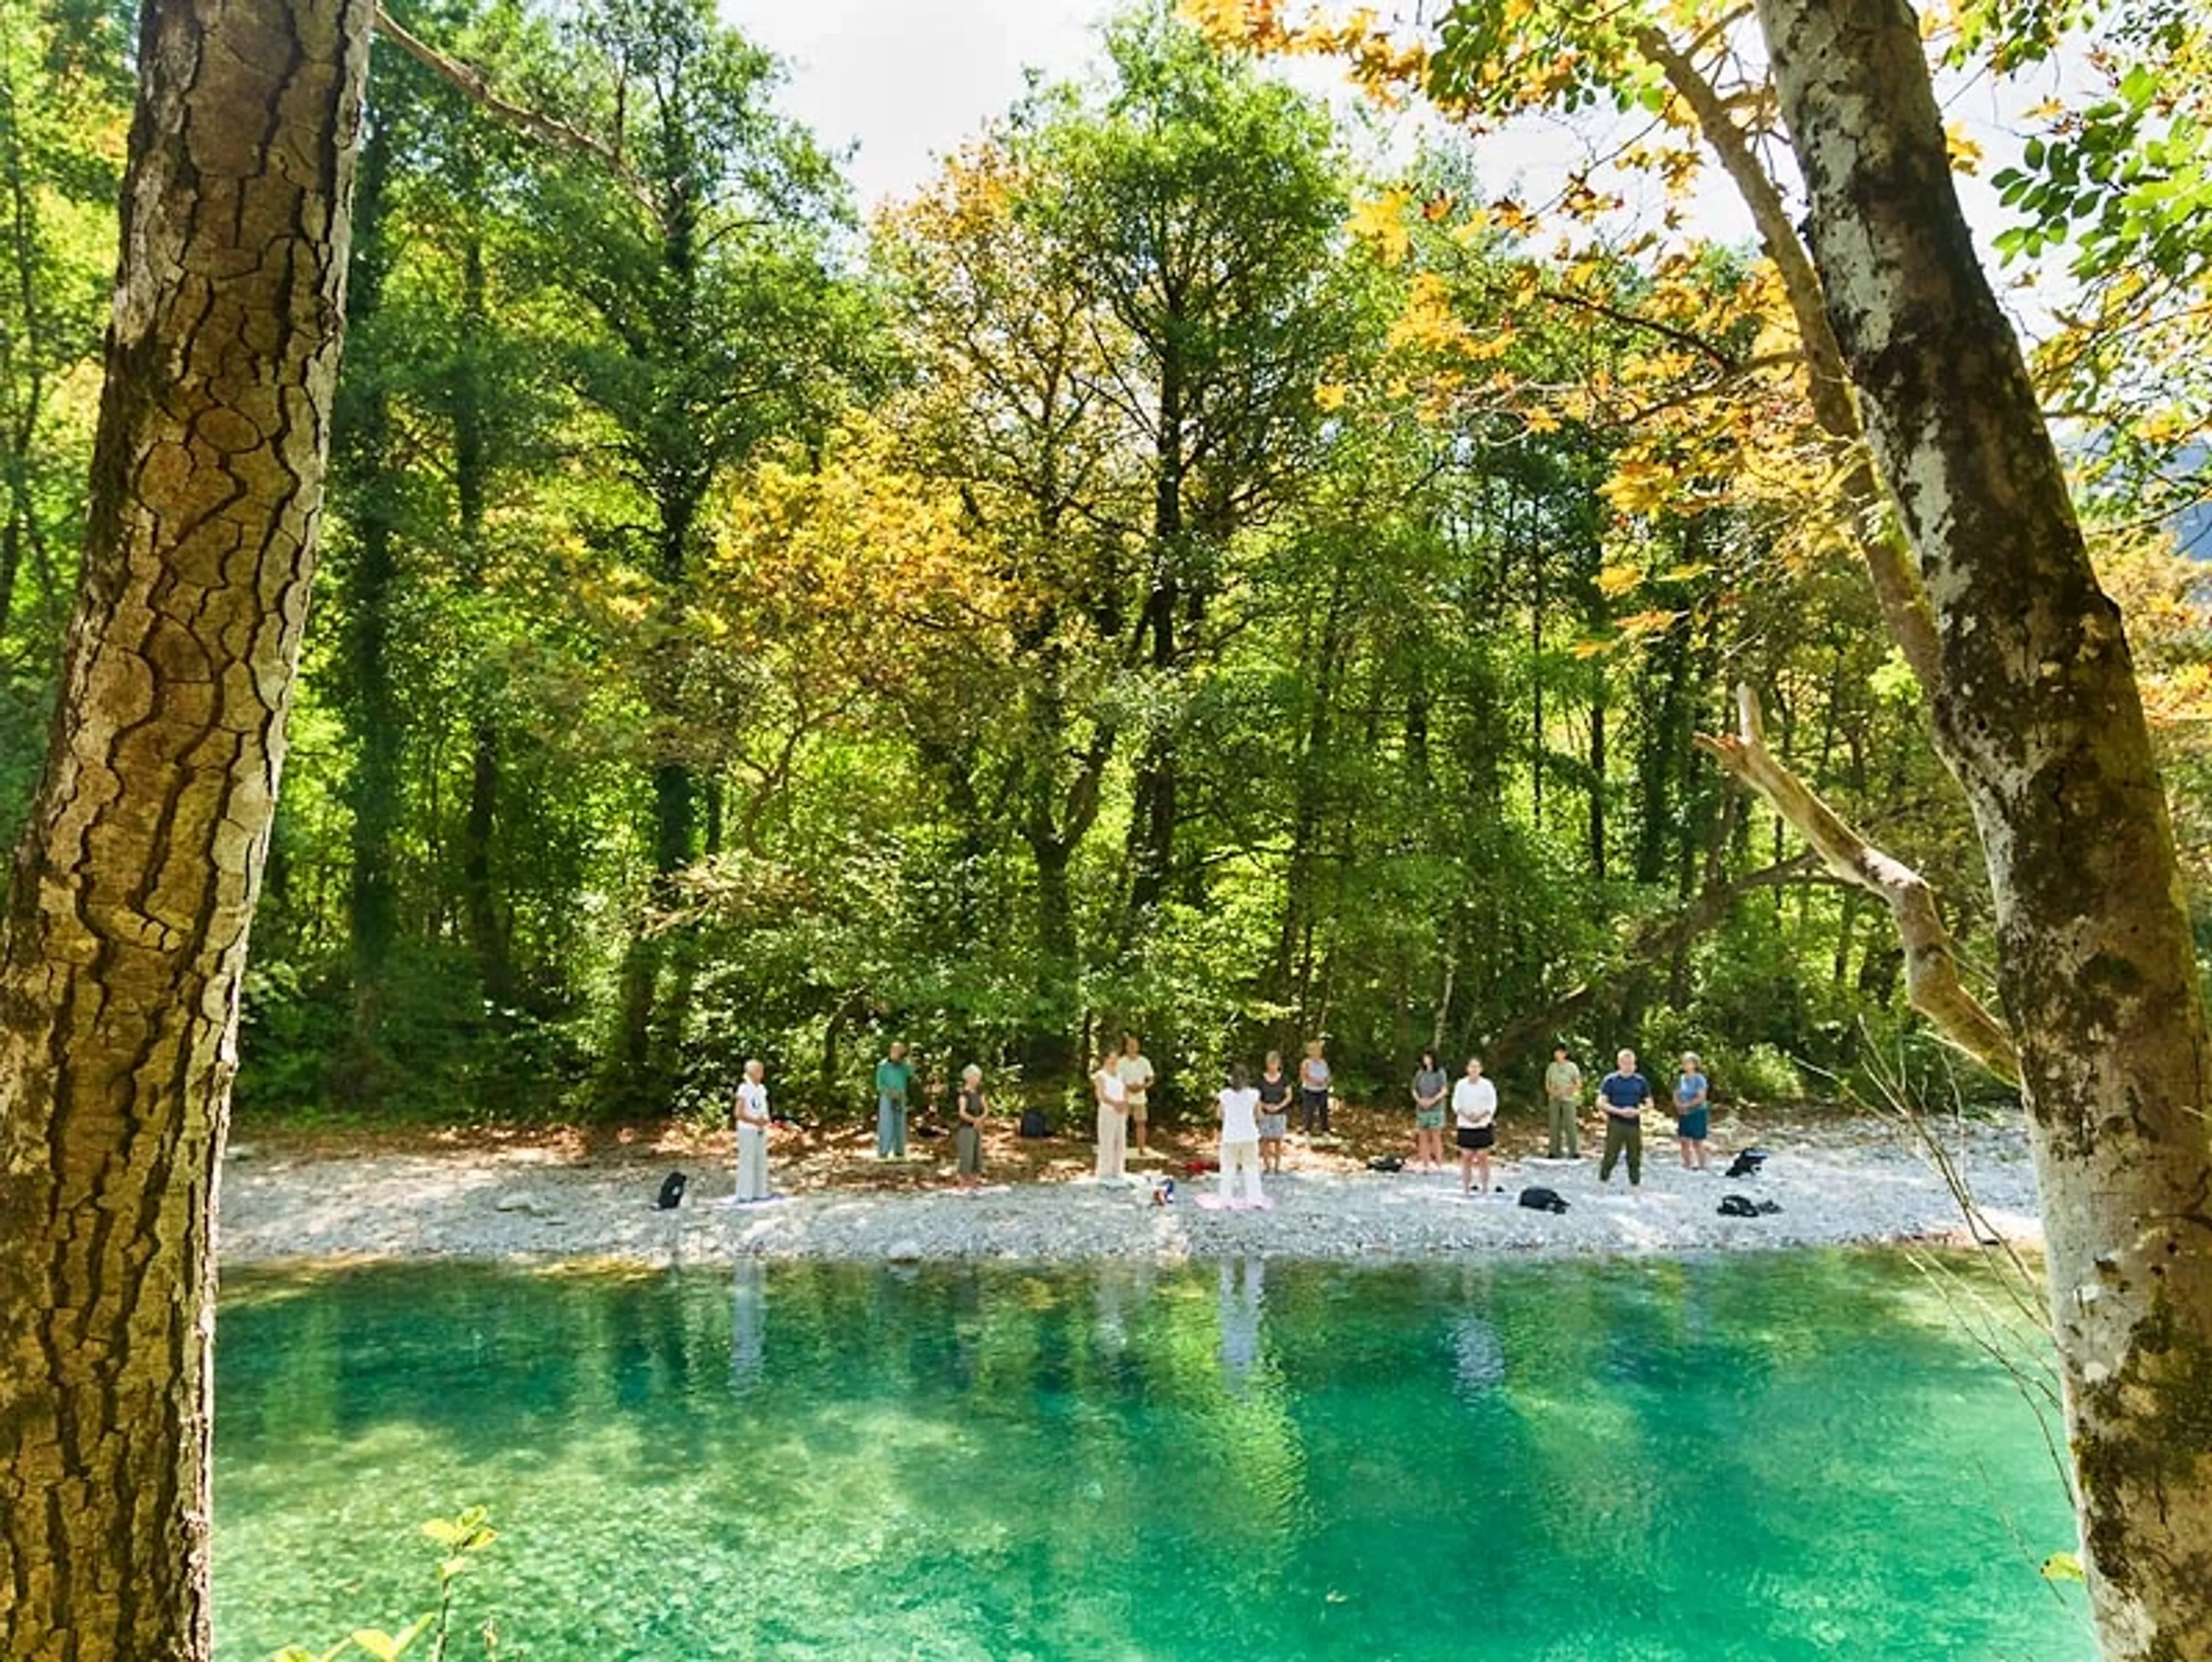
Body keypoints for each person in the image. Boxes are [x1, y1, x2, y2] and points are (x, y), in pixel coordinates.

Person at [1596, 1048, 1653, 1192]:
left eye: (1631, 1063)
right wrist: (1619, 1111)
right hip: (1616, 1122)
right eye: (1625, 1063)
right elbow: (1601, 1103)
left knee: (1635, 1156)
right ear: (1619, 1063)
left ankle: (1635, 1185)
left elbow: (1650, 1104)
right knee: (1611, 1155)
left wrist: (1637, 1111)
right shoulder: (1610, 1080)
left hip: (1634, 1123)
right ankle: (1602, 1182)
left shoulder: (1640, 1081)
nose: (1628, 1066)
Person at [1217, 1065, 1266, 1210]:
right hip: (1250, 1136)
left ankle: (1225, 1200)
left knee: (1228, 1169)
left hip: (1230, 1137)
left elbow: (1219, 1115)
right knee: (1251, 1169)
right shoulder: (1254, 1094)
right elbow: (1259, 1115)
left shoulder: (1224, 1095)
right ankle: (1255, 1200)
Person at [1452, 1056, 1498, 1196]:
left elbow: (1492, 1103)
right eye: (1472, 1067)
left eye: (1477, 1067)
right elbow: (1456, 1103)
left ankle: (1485, 1187)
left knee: (1483, 1156)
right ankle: (1466, 1188)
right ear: (1467, 1069)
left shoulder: (1487, 1085)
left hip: (1483, 1124)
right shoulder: (1461, 1084)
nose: (1474, 1070)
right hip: (1465, 1124)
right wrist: (1466, 1115)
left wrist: (1482, 1115)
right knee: (1466, 1156)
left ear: (1481, 1069)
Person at [733, 1058, 772, 1203]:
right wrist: (755, 1121)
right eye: (759, 1070)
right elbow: (738, 1113)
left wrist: (765, 1120)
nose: (762, 1073)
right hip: (747, 1129)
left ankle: (760, 1192)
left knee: (760, 1160)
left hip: (760, 1129)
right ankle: (745, 1193)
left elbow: (763, 1108)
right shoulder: (744, 1089)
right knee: (747, 1160)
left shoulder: (761, 1089)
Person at [1092, 1047, 1130, 1180]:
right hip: (1108, 1110)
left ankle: (1118, 1171)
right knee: (1107, 1141)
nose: (1114, 1061)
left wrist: (1124, 1104)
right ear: (1105, 1059)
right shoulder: (1100, 1076)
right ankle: (1105, 1172)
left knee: (1120, 1141)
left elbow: (1125, 1092)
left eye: (1116, 1059)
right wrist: (1115, 1104)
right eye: (1111, 1058)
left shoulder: (1121, 1075)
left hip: (1121, 1111)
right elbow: (1101, 1096)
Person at [1118, 1032, 1158, 1154]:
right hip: (1124, 1097)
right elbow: (1116, 1079)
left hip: (1140, 1097)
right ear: (1126, 1047)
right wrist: (1127, 1087)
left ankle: (1141, 1148)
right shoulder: (1121, 1062)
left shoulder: (1144, 1061)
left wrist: (1142, 1087)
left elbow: (1151, 1079)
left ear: (1138, 1047)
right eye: (1130, 1045)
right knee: (1121, 1123)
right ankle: (1119, 1148)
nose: (1133, 1048)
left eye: (1135, 1045)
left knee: (1141, 1123)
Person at [1542, 1043, 1584, 1160]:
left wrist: (1568, 1090)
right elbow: (1547, 1084)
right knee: (1554, 1125)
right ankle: (1554, 1151)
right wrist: (1553, 1092)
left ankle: (1574, 1151)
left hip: (1568, 1099)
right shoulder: (1551, 1067)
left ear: (1565, 1054)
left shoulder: (1572, 1067)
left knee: (1570, 1124)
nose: (1558, 1055)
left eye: (1560, 1052)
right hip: (1554, 1098)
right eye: (1556, 1052)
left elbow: (1578, 1084)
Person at [1411, 1048, 1449, 1173]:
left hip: (1436, 1109)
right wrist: (1419, 1100)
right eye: (1425, 1057)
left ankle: (1439, 1163)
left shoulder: (1440, 1073)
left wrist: (1432, 1101)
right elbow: (1414, 1089)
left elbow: (1444, 1090)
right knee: (1423, 1136)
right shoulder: (1420, 1073)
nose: (1426, 1060)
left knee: (1435, 1136)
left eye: (1428, 1057)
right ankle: (1425, 1163)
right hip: (1422, 1109)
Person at [874, 1040, 913, 1160]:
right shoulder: (883, 1066)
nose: (898, 1054)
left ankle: (899, 1151)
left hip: (901, 1096)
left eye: (900, 1052)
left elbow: (911, 1076)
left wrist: (910, 1061)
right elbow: (879, 1084)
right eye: (896, 1051)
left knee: (900, 1123)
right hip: (887, 1096)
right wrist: (889, 1092)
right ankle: (883, 1151)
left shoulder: (904, 1067)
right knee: (886, 1123)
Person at [1674, 1052, 1712, 1172]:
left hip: (1697, 1112)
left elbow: (1701, 1097)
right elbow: (1676, 1093)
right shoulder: (1681, 1078)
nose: (1686, 1065)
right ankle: (1687, 1164)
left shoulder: (1700, 1079)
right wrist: (1679, 1105)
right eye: (1684, 1063)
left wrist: (1687, 1105)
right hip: (1684, 1113)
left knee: (1697, 1141)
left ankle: (1702, 1165)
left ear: (1695, 1065)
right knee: (1684, 1140)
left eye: (1688, 1063)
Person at [1256, 1050, 1293, 1172]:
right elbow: (1256, 1097)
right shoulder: (1261, 1079)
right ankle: (1267, 1166)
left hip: (1280, 1113)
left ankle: (1277, 1167)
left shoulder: (1284, 1079)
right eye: (1270, 1063)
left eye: (1275, 1063)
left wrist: (1279, 1106)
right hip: (1265, 1113)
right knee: (1265, 1140)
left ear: (1279, 1064)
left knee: (1278, 1141)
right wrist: (1265, 1106)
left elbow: (1289, 1096)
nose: (1272, 1066)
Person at [956, 1063, 988, 1188]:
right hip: (966, 1128)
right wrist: (974, 1121)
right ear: (968, 1077)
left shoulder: (980, 1093)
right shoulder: (964, 1095)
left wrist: (981, 1119)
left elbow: (986, 1109)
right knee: (967, 1154)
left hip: (978, 1127)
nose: (977, 1080)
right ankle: (963, 1180)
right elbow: (962, 1112)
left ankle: (975, 1179)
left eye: (978, 1077)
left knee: (977, 1153)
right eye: (975, 1077)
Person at [1298, 1038, 1332, 1136]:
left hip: (1323, 1090)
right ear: (1310, 1052)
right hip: (1309, 1090)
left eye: (1319, 1050)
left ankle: (1325, 1130)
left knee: (1324, 1110)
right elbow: (1303, 1076)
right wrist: (1315, 1082)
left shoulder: (1324, 1062)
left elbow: (1328, 1075)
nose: (1318, 1052)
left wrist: (1326, 1082)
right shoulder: (1306, 1063)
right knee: (1309, 1110)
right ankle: (1307, 1130)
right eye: (1315, 1050)